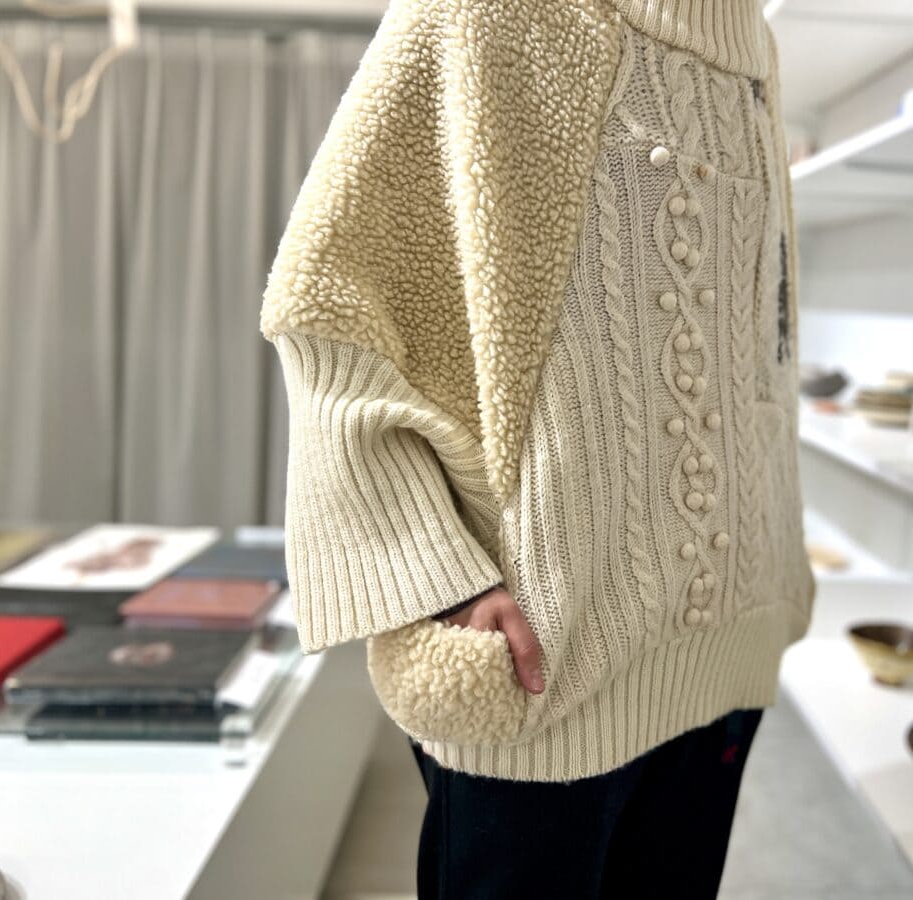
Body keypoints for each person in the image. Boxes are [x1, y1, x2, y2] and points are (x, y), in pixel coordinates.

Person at [261, 0, 815, 896]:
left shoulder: (754, 47)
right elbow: (327, 305)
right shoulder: (498, 13)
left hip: (729, 655)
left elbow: (755, 348)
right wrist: (432, 568)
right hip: (547, 678)